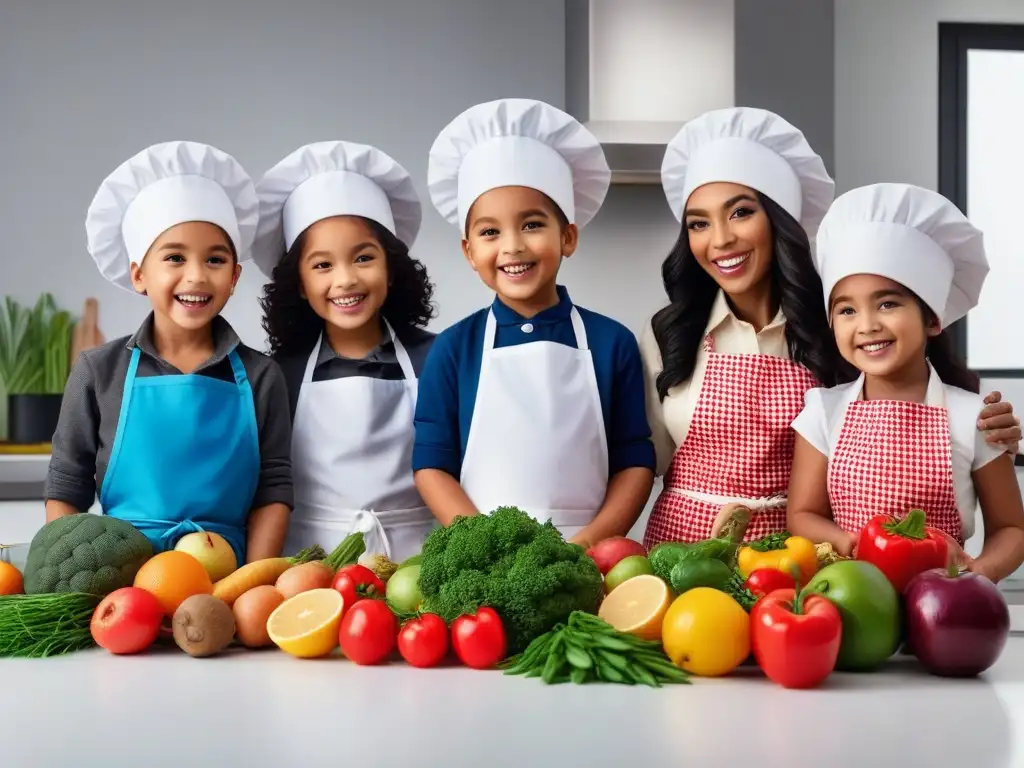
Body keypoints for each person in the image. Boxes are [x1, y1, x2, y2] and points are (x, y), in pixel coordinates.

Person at [640, 107, 1021, 548]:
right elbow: (644, 459)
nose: (720, 240)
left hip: (801, 565)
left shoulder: (839, 326)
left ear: (779, 220)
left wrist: (987, 432)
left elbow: (903, 408)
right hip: (683, 556)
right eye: (699, 223)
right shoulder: (670, 333)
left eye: (741, 213)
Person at [413, 98, 656, 546]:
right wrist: (485, 544)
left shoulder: (611, 342)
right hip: (482, 554)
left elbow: (634, 460)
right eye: (490, 232)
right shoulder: (452, 348)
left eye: (532, 225)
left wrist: (583, 547)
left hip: (588, 554)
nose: (512, 247)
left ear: (568, 237)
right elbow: (432, 464)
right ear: (469, 253)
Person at [45, 141, 293, 563]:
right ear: (139, 274)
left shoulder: (261, 375)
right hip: (119, 579)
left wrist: (248, 586)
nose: (196, 276)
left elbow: (273, 489)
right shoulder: (98, 371)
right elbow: (66, 488)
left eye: (215, 260)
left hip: (223, 579)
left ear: (234, 276)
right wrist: (80, 575)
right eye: (174, 257)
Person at [787, 183, 1024, 582]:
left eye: (888, 303)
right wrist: (856, 546)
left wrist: (978, 574)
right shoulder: (822, 411)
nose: (867, 325)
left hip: (941, 602)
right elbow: (803, 514)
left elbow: (1011, 529)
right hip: (850, 598)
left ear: (933, 319)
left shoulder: (973, 418)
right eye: (846, 310)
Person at [254, 141, 437, 561]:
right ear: (299, 284)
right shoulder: (277, 374)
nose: (346, 279)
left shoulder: (437, 360)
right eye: (323, 265)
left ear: (391, 268)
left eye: (363, 258)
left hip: (417, 573)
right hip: (308, 576)